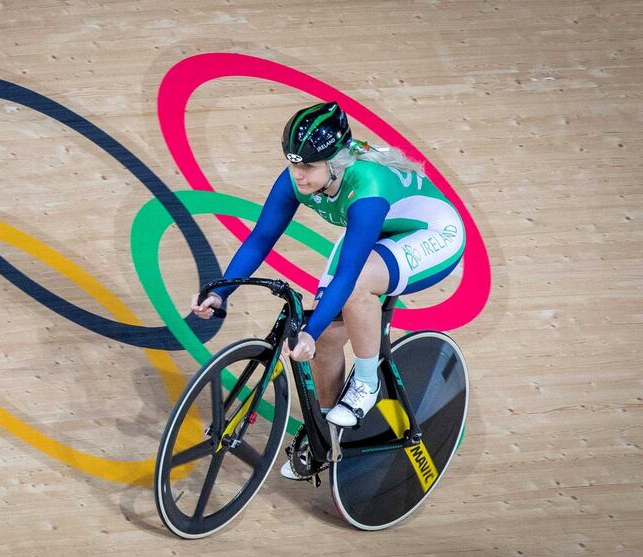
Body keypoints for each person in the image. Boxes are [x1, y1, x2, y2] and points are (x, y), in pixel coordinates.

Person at [189, 102, 465, 480]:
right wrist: (221, 291)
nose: (298, 176)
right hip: (376, 231)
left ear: (336, 164)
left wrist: (309, 332)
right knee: (324, 336)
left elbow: (350, 276)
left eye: (308, 168)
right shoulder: (298, 176)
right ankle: (326, 438)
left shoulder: (365, 185)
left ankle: (366, 383)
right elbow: (260, 238)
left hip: (433, 233)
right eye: (293, 165)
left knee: (351, 292)